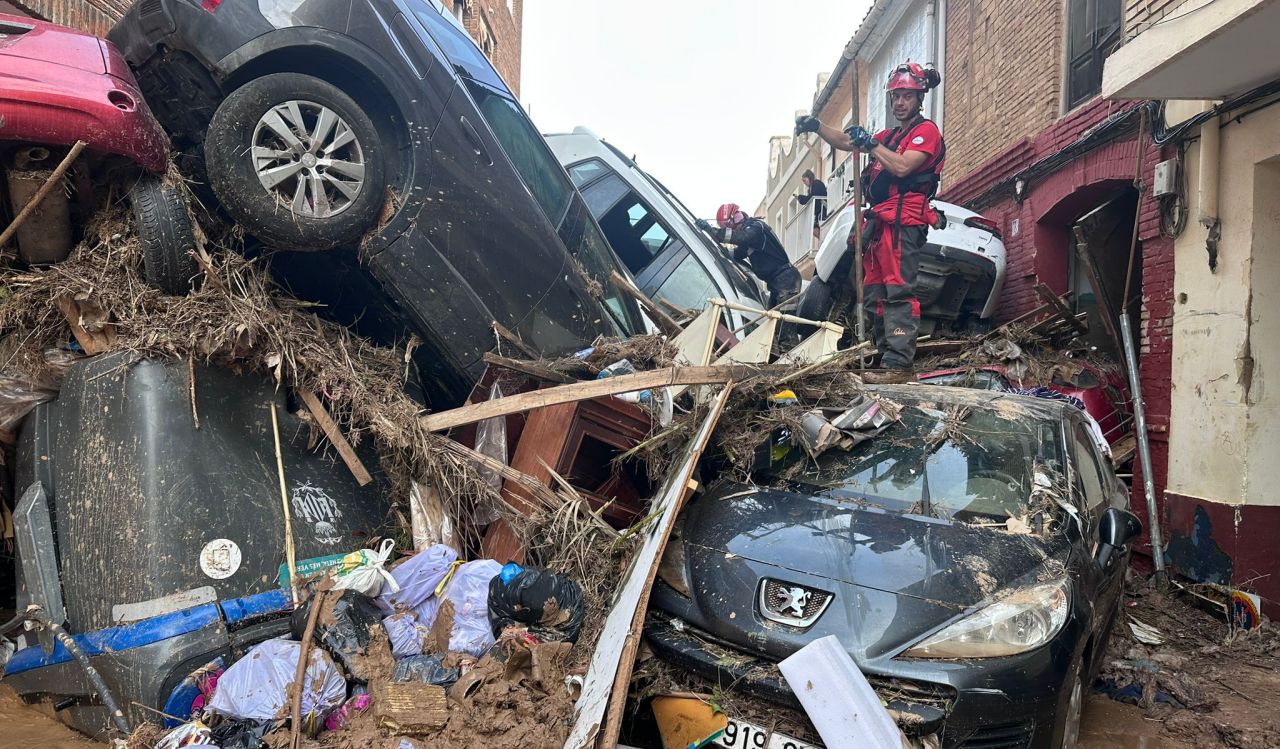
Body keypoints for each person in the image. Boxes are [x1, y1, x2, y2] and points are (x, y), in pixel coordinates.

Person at [794, 62, 945, 371]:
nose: (900, 103)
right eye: (895, 97)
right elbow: (846, 141)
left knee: (898, 289)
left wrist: (871, 144)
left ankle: (898, 361)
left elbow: (902, 167)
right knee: (875, 290)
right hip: (880, 223)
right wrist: (817, 126)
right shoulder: (889, 136)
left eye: (907, 96)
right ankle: (882, 352)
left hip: (905, 222)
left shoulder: (926, 132)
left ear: (919, 99)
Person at [695, 204, 801, 308]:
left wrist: (711, 230)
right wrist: (718, 250)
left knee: (785, 322)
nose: (731, 230)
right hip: (777, 283)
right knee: (772, 321)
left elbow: (742, 238)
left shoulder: (756, 227)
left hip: (786, 280)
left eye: (728, 227)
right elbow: (737, 254)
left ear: (734, 219)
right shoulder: (751, 239)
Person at [794, 169, 828, 238]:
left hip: (823, 208)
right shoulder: (812, 187)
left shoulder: (816, 184)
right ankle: (822, 241)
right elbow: (809, 198)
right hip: (819, 211)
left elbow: (811, 197)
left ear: (809, 177)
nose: (804, 183)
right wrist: (801, 198)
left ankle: (823, 241)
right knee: (815, 230)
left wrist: (800, 198)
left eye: (804, 180)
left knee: (817, 229)